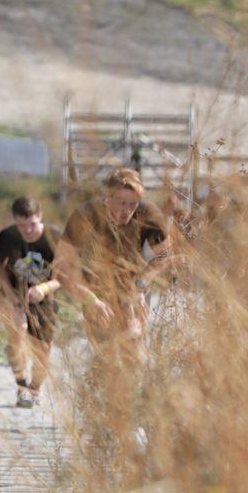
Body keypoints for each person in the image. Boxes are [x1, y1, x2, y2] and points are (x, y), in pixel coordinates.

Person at [54, 168, 170, 454]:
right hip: (95, 292)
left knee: (133, 351)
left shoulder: (147, 213)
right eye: (121, 203)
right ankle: (97, 414)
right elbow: (61, 267)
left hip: (131, 288)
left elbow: (166, 256)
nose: (127, 211)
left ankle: (127, 421)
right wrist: (88, 299)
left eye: (132, 204)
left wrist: (141, 285)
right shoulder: (85, 216)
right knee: (107, 356)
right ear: (107, 199)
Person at [0, 196, 62, 408]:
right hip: (14, 294)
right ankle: (22, 387)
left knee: (43, 349)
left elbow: (66, 275)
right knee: (17, 333)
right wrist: (10, 293)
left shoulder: (54, 237)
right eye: (22, 226)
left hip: (44, 296)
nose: (27, 231)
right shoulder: (8, 236)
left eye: (32, 224)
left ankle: (35, 389)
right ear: (15, 220)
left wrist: (44, 288)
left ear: (40, 216)